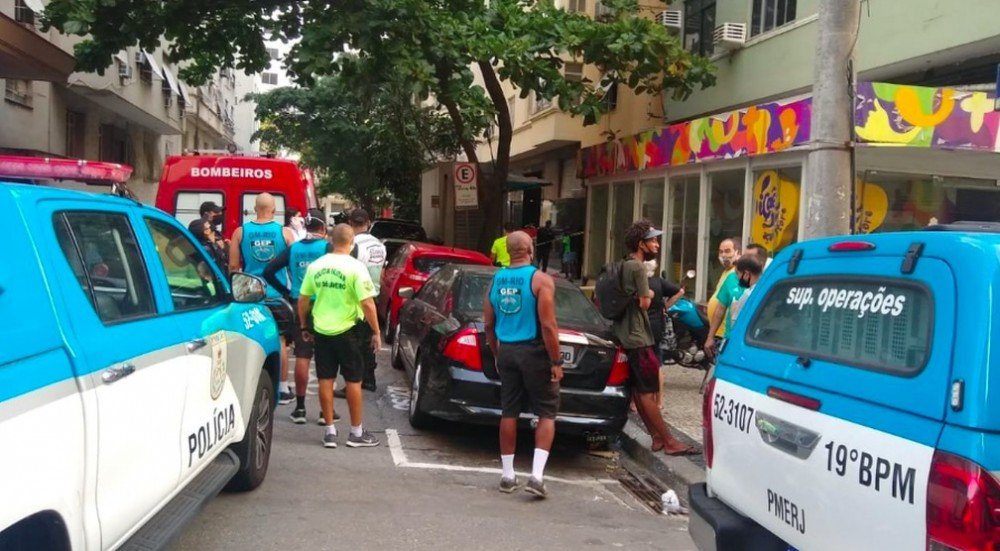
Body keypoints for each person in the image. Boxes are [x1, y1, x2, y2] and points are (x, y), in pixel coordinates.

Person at [483, 231, 563, 498]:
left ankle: (507, 475)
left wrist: (496, 351)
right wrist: (556, 360)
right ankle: (537, 477)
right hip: (534, 350)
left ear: (507, 250)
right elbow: (549, 325)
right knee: (546, 412)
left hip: (506, 350)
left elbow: (488, 324)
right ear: (530, 248)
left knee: (509, 411)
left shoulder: (495, 280)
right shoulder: (540, 280)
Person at [614, 220, 697, 456]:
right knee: (647, 391)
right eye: (652, 240)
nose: (657, 244)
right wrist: (650, 292)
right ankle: (670, 441)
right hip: (639, 336)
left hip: (627, 334)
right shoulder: (638, 268)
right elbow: (644, 302)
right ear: (641, 244)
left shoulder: (624, 265)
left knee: (640, 391)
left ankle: (657, 438)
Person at [298, 224, 381, 449]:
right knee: (354, 380)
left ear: (331, 241)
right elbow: (367, 303)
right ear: (352, 242)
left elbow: (303, 299)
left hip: (322, 330)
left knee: (326, 379)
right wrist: (376, 331)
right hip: (348, 331)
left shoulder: (316, 266)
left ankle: (330, 431)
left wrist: (304, 326)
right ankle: (355, 432)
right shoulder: (356, 267)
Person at [263, 209, 333, 425]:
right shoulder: (328, 248)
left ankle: (300, 408)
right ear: (322, 228)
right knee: (326, 359)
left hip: (298, 303)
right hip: (325, 305)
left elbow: (268, 271)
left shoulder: (293, 249)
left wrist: (285, 290)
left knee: (302, 356)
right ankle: (325, 413)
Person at [230, 193, 296, 403]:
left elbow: (233, 267)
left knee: (251, 340)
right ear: (274, 210)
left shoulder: (240, 232)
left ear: (254, 208)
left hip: (250, 295)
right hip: (276, 296)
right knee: (281, 341)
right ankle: (283, 389)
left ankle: (249, 386)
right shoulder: (284, 233)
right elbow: (293, 266)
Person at [705, 242, 769, 359]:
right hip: (730, 339)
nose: (745, 260)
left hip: (753, 344)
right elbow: (720, 309)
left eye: (750, 258)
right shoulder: (732, 277)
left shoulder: (769, 283)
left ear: (761, 262)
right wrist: (710, 337)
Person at [349, 208, 387, 393]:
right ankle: (369, 378)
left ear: (350, 224)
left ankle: (356, 380)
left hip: (357, 297)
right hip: (375, 294)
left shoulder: (353, 244)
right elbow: (382, 272)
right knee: (368, 338)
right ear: (368, 223)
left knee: (354, 341)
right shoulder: (380, 245)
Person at [644, 260, 684, 410]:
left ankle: (641, 399)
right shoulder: (658, 282)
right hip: (657, 327)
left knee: (643, 361)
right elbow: (680, 291)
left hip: (642, 327)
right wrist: (666, 306)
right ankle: (659, 401)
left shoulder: (639, 282)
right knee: (657, 363)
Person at [705, 238, 741, 343]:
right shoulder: (726, 272)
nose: (723, 255)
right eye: (721, 252)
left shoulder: (736, 274)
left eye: (727, 251)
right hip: (718, 332)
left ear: (738, 252)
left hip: (725, 334)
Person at [727, 255, 764, 330]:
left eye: (737, 274)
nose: (737, 278)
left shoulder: (747, 295)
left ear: (746, 274)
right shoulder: (767, 289)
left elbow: (735, 328)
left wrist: (733, 311)